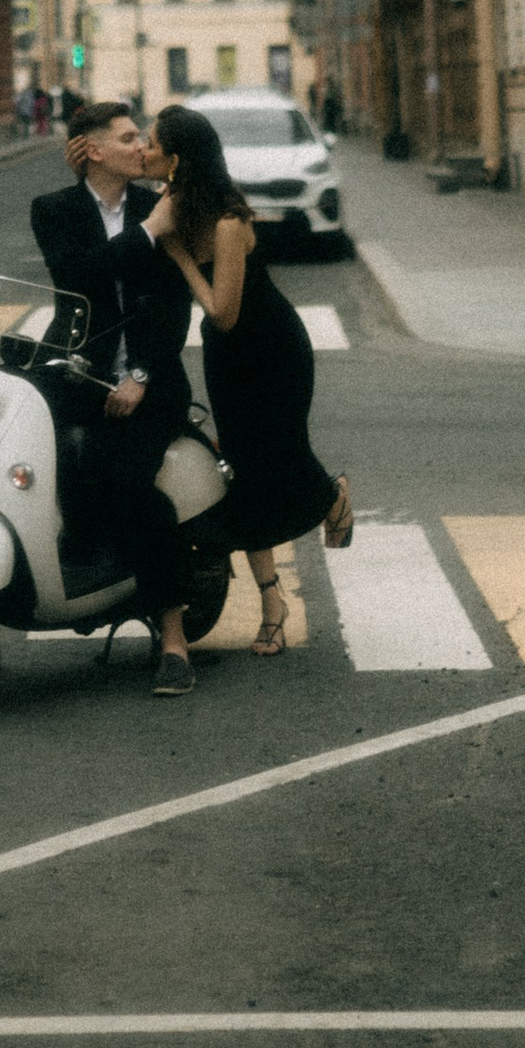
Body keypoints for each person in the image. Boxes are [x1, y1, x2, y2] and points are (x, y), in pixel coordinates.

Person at [146, 100, 352, 669]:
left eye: (151, 141)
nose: (145, 148)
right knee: (242, 476)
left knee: (280, 459)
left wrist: (181, 256)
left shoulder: (228, 223)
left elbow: (223, 313)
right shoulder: (174, 205)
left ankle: (329, 493)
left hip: (271, 351)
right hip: (226, 360)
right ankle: (273, 607)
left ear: (177, 157)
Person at [28, 102, 201, 694]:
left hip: (150, 384)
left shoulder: (162, 206)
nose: (141, 148)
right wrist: (148, 234)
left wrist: (144, 374)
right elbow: (82, 277)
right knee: (19, 463)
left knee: (132, 485)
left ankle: (174, 639)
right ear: (94, 151)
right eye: (129, 139)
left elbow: (173, 305)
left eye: (143, 139)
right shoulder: (54, 210)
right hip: (79, 375)